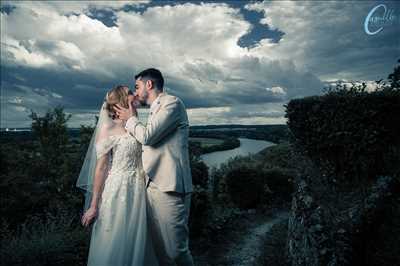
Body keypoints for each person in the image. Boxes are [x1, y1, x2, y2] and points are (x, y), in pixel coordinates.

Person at [114, 68, 194, 266]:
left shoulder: (172, 103)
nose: (136, 91)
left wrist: (130, 118)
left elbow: (148, 137)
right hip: (150, 188)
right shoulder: (153, 109)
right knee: (160, 252)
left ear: (149, 85)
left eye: (137, 86)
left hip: (170, 187)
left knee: (176, 251)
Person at [76, 85, 157, 266]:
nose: (135, 94)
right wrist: (93, 205)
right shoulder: (108, 127)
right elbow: (101, 168)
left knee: (140, 239)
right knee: (116, 237)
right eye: (130, 92)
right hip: (119, 189)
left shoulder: (138, 124)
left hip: (141, 189)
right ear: (121, 99)